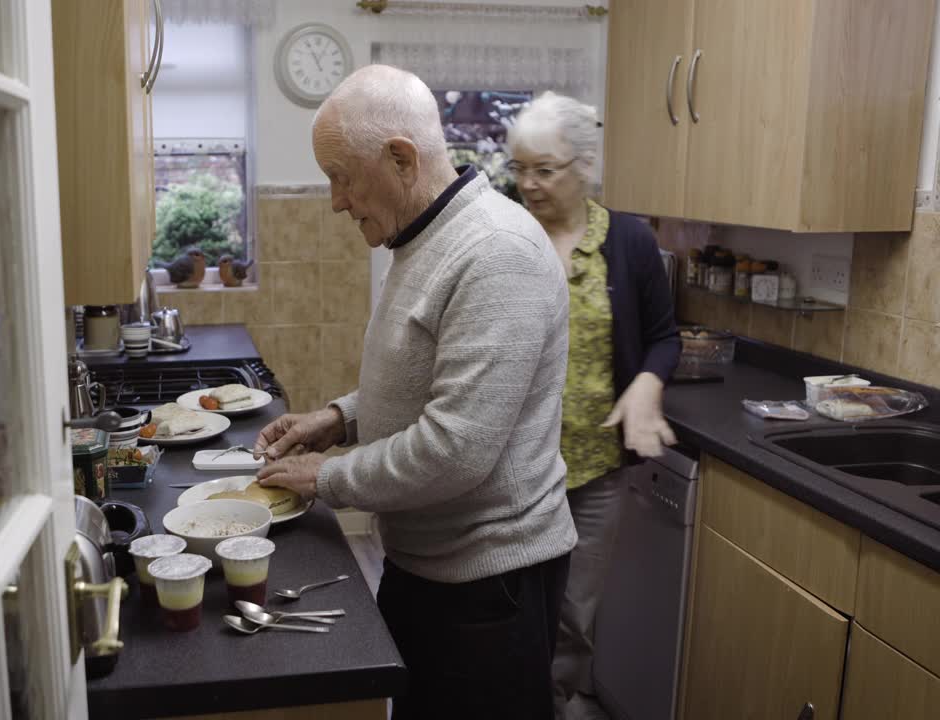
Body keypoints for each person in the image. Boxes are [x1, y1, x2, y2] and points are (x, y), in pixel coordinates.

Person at [253, 65, 576, 719]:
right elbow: (421, 377)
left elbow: (456, 448)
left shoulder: (496, 252)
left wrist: (328, 476)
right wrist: (339, 417)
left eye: (340, 176)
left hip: (490, 586)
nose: (336, 201)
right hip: (427, 565)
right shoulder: (424, 239)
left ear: (400, 158)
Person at [506, 91, 681, 719]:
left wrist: (646, 382)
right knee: (513, 611)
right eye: (519, 168)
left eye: (543, 169)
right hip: (513, 471)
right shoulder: (505, 236)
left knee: (574, 615)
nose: (527, 184)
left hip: (595, 472)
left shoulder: (631, 241)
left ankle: (553, 704)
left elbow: (664, 336)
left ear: (583, 167)